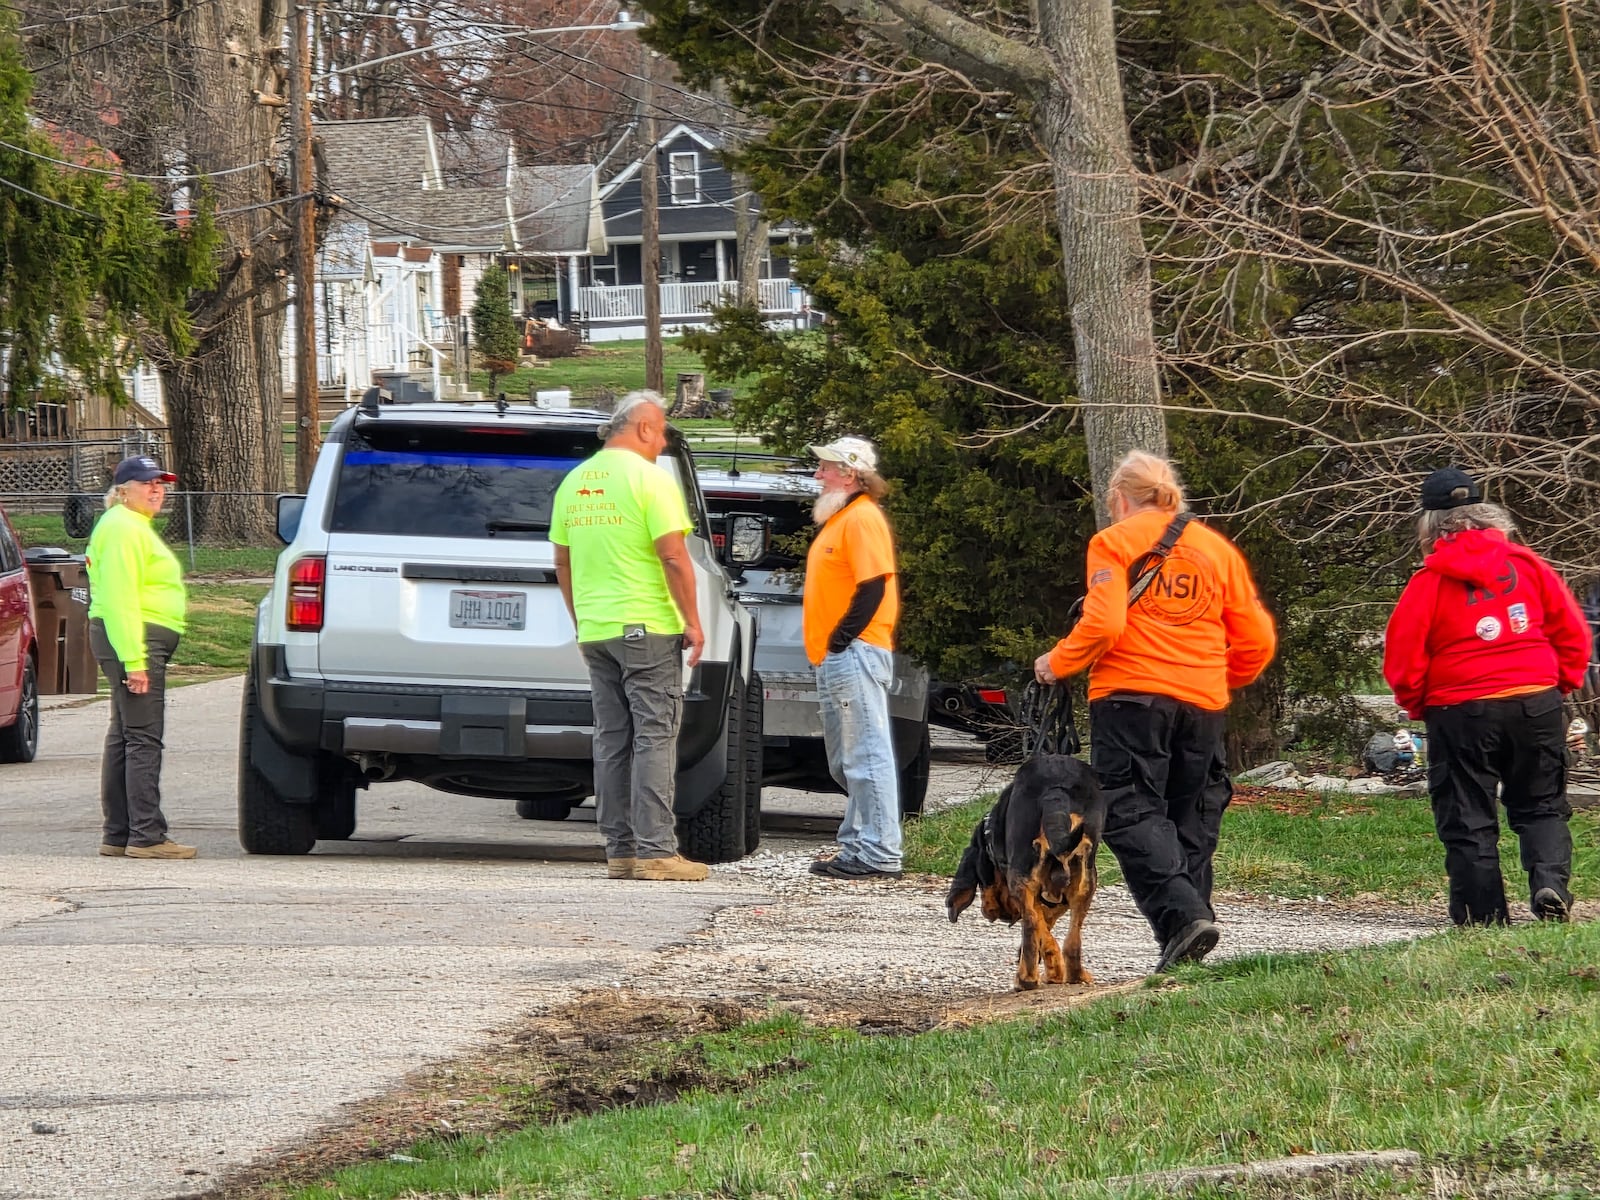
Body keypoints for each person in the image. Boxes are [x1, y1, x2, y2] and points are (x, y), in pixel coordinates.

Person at [1034, 451, 1276, 971]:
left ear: (1119, 498)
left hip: (1130, 697)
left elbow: (1104, 625)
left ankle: (1184, 918)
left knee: (1127, 809)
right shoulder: (1216, 549)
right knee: (1192, 818)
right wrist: (1217, 678)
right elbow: (1257, 639)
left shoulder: (1113, 541)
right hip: (1204, 703)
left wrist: (1057, 663)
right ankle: (1188, 944)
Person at [1383, 467, 1589, 926]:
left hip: (1459, 708)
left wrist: (1417, 703)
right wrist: (1559, 684)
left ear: (1429, 526)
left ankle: (1483, 917)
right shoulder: (1528, 566)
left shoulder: (1428, 582)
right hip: (1534, 699)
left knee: (1467, 815)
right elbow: (1572, 633)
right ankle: (1549, 883)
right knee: (1541, 804)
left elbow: (1403, 656)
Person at [550, 390, 708, 882]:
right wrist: (693, 621)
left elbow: (562, 562)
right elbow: (673, 556)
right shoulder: (650, 480)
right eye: (661, 432)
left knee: (612, 739)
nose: (662, 443)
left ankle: (620, 850)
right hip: (646, 627)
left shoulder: (575, 481)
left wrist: (582, 620)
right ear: (643, 427)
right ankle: (657, 851)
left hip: (597, 629)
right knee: (655, 735)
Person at [803, 436, 905, 880]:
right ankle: (859, 843)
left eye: (825, 468)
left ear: (848, 473)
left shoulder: (861, 518)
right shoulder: (843, 518)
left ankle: (879, 850)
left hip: (855, 652)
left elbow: (874, 585)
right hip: (842, 653)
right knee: (848, 757)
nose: (817, 475)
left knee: (865, 753)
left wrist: (842, 639)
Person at [86, 455, 192, 859]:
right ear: (122, 491)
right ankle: (147, 835)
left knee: (125, 735)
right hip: (137, 637)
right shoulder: (122, 528)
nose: (156, 490)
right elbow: (120, 598)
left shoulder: (130, 525)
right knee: (143, 738)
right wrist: (135, 660)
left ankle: (119, 833)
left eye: (160, 484)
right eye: (146, 483)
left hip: (137, 635)